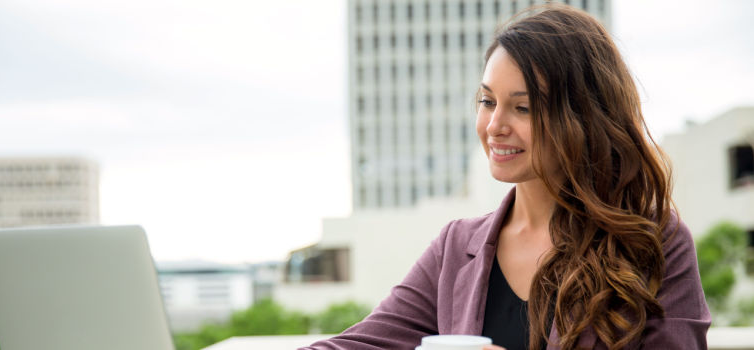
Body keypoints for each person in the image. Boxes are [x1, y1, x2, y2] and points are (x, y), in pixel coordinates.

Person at [300, 4, 710, 350]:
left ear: (584, 116)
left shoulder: (654, 241)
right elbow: (358, 344)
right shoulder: (457, 248)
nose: (494, 125)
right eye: (487, 101)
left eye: (523, 108)